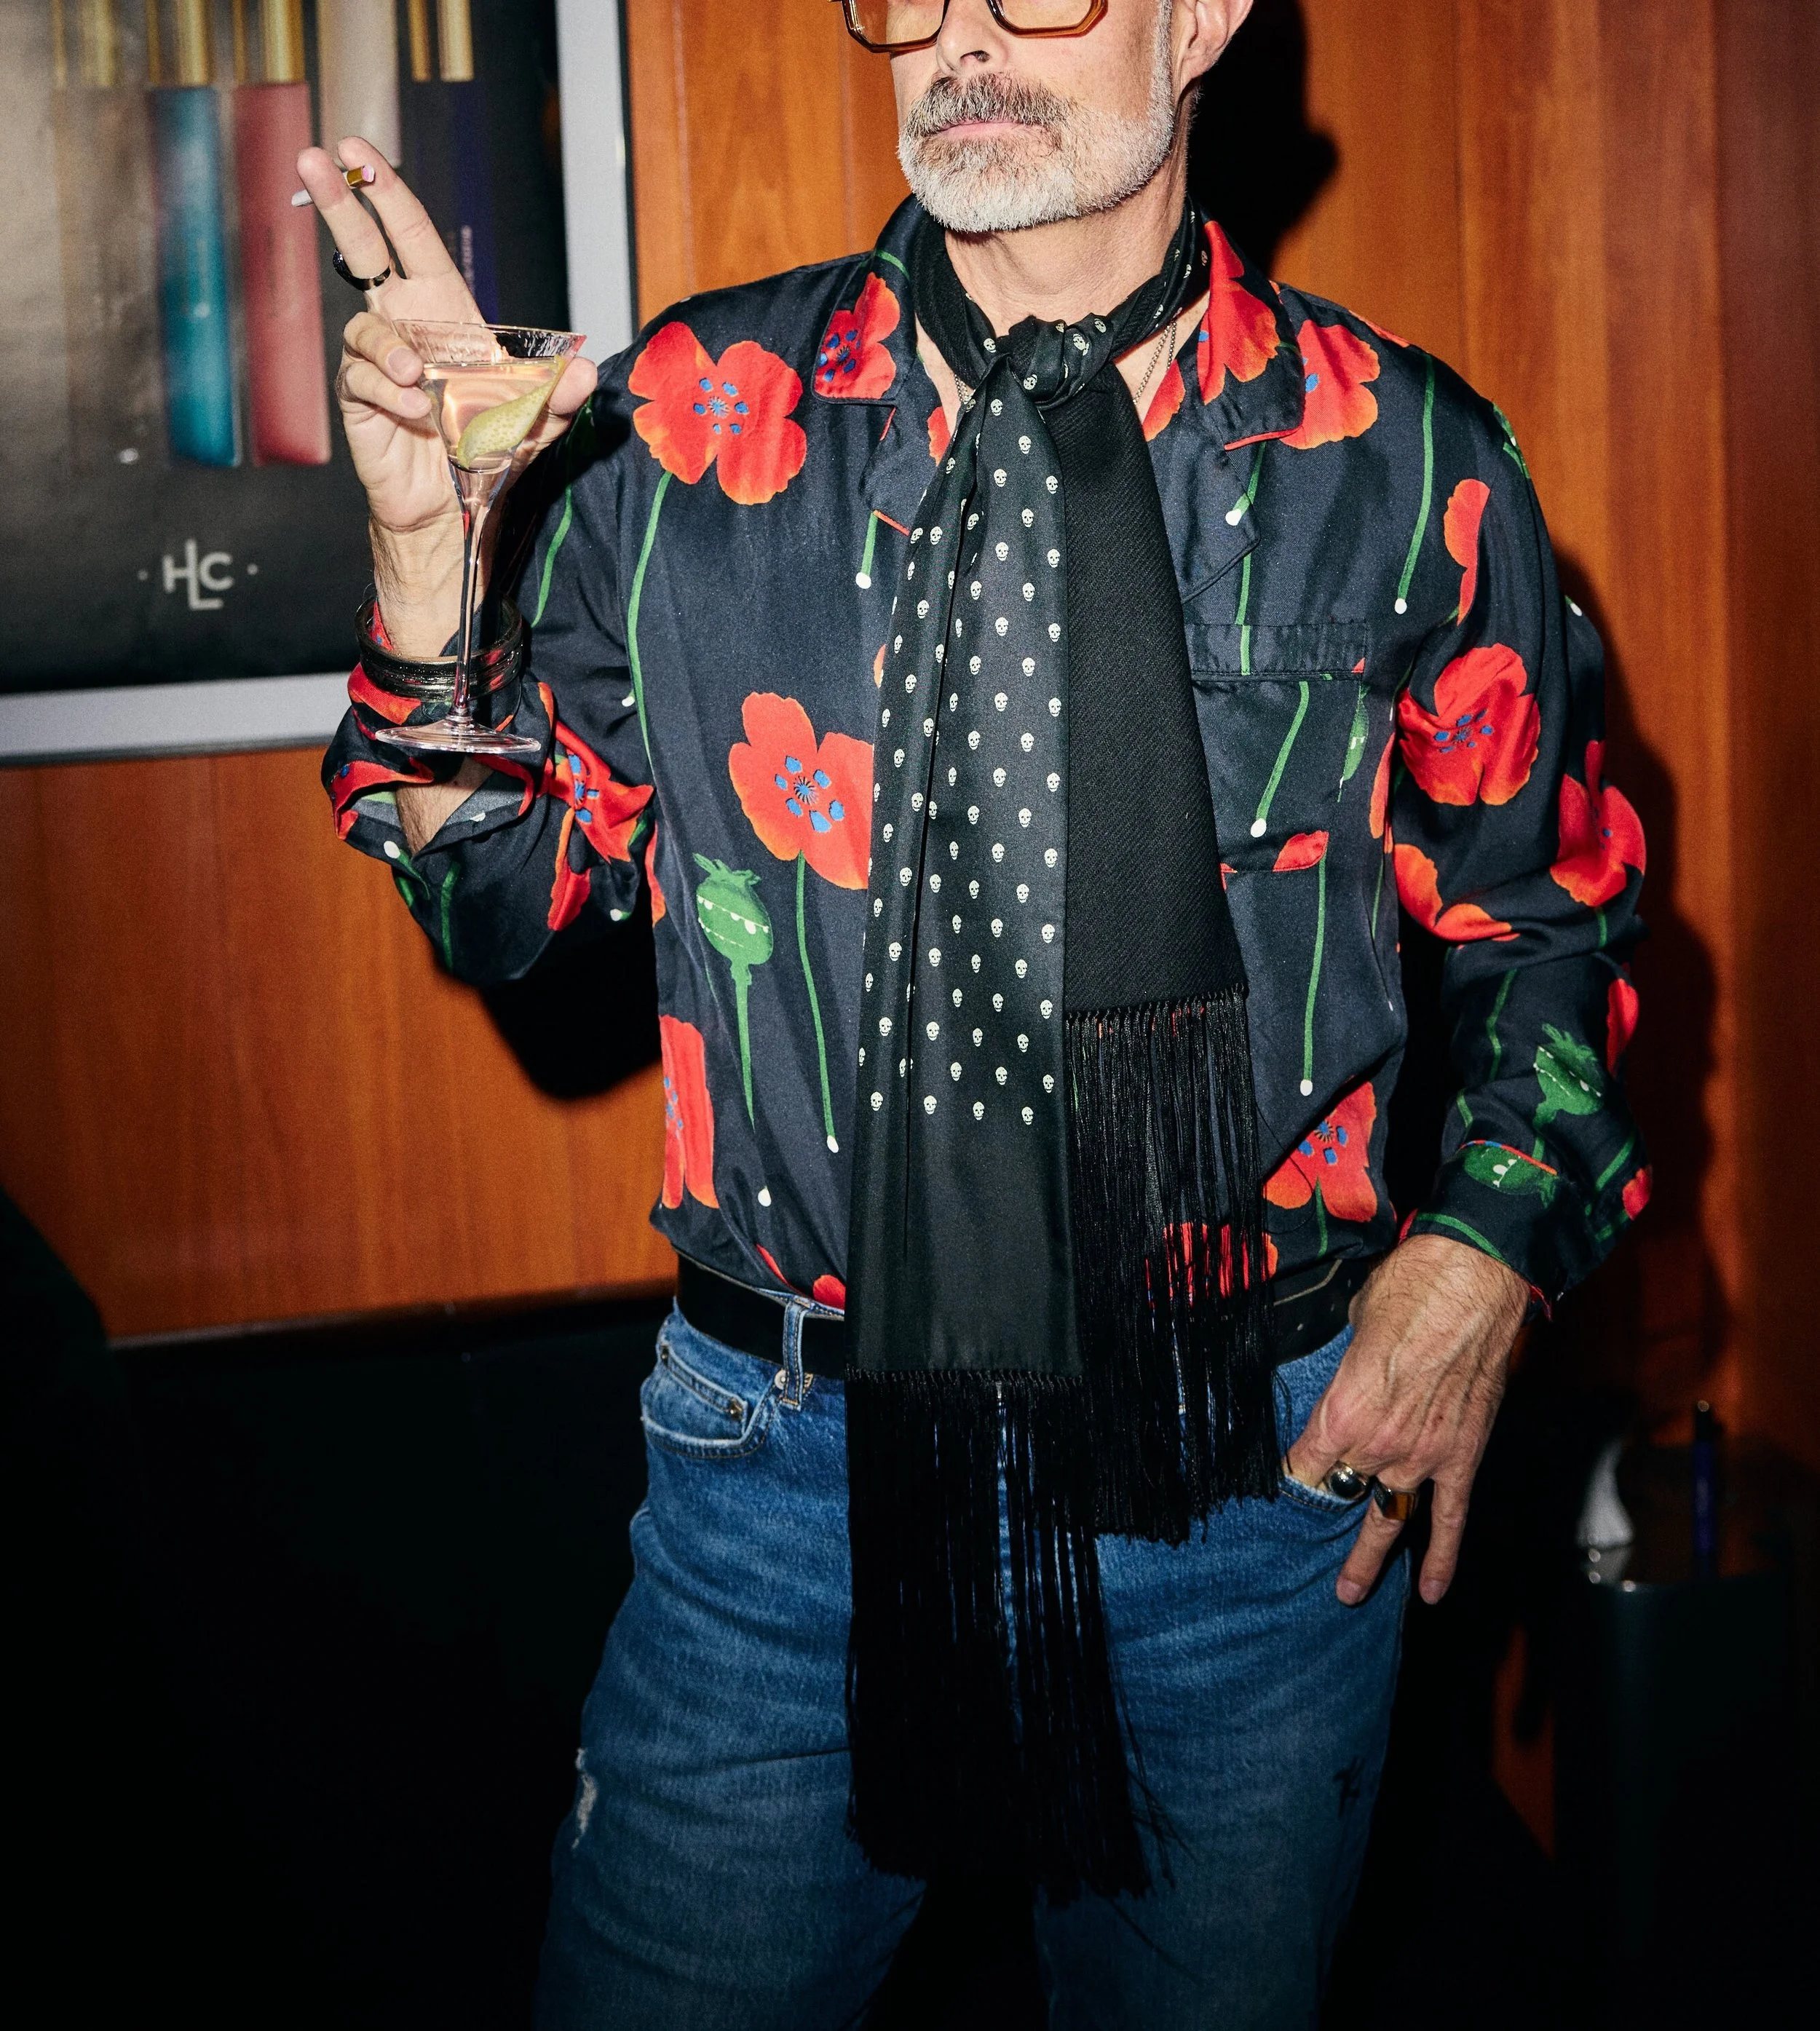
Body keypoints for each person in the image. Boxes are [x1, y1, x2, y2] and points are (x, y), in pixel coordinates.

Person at [301, 1, 1649, 2022]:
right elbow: (503, 901)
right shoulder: (679, 427)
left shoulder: (1401, 455)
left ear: (1201, 14)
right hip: (782, 1487)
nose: (954, 37)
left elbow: (1554, 908)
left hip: (1259, 1494)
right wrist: (425, 557)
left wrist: (1477, 1251)